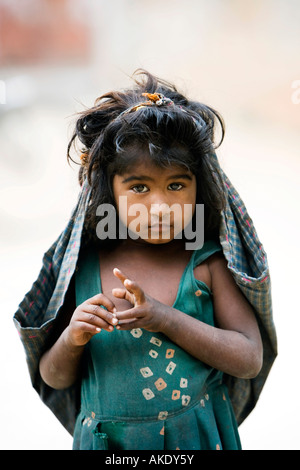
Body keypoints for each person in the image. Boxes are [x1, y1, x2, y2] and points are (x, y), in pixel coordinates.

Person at [13, 70, 277, 450]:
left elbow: (249, 358)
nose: (160, 206)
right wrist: (73, 337)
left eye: (176, 185)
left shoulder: (207, 263)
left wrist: (165, 318)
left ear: (199, 188)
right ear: (108, 191)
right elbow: (53, 377)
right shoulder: (83, 267)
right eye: (139, 187)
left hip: (196, 439)